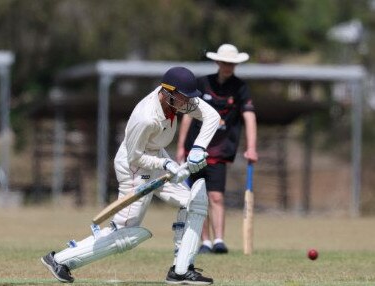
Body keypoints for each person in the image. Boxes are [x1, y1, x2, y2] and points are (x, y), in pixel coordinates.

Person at [41, 67, 220, 284]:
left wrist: (199, 147)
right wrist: (165, 163)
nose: (188, 103)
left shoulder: (177, 99)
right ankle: (60, 260)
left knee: (194, 202)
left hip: (156, 158)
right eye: (183, 98)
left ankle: (181, 270)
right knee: (126, 234)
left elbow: (212, 115)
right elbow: (135, 157)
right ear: (167, 92)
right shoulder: (146, 117)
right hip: (134, 168)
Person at [177, 44, 258, 254]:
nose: (228, 66)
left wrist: (251, 148)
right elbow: (187, 115)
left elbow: (249, 116)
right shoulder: (202, 83)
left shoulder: (241, 87)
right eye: (224, 62)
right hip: (196, 151)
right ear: (217, 62)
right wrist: (180, 147)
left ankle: (219, 240)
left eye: (232, 63)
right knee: (198, 197)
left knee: (216, 196)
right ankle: (204, 241)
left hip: (220, 151)